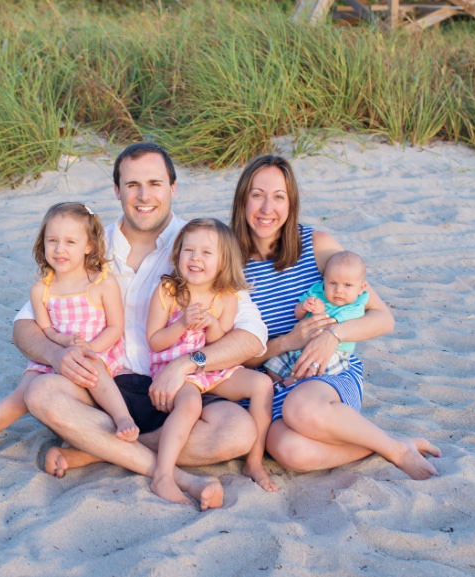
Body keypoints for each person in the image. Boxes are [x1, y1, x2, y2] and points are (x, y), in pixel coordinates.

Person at [12, 143, 268, 509]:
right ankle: (172, 474)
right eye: (132, 185)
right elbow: (24, 326)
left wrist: (187, 363)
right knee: (40, 394)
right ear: (117, 191)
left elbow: (252, 336)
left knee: (238, 432)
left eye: (155, 183)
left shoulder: (197, 246)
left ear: (173, 188)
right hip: (104, 388)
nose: (144, 196)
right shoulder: (90, 246)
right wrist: (56, 354)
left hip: (179, 389)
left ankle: (97, 451)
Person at [231, 154, 441, 480]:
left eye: (279, 197)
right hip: (272, 381)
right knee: (289, 451)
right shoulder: (229, 262)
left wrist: (334, 335)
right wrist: (288, 342)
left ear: (291, 203)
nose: (266, 208)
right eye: (257, 195)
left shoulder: (316, 245)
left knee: (301, 408)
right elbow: (232, 356)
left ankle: (397, 452)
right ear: (242, 199)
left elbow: (383, 318)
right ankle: (387, 444)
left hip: (327, 376)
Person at [0, 202, 138, 457]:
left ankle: (123, 418)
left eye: (70, 242)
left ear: (89, 246)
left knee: (93, 370)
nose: (59, 249)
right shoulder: (42, 289)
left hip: (95, 351)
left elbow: (115, 327)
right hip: (55, 355)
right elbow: (47, 330)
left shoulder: (102, 283)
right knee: (22, 394)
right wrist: (62, 341)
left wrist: (89, 348)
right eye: (52, 240)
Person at [147, 218, 277, 503]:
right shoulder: (168, 292)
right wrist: (181, 324)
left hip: (208, 367)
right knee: (190, 403)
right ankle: (163, 475)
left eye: (206, 253)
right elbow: (154, 341)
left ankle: (254, 461)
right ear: (178, 253)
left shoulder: (227, 298)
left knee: (261, 384)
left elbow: (220, 344)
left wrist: (212, 324)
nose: (195, 258)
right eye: (188, 250)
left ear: (223, 261)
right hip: (174, 368)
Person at [264, 250, 369, 386]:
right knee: (273, 363)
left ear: (361, 288)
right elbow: (297, 314)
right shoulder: (317, 291)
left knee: (315, 370)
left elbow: (330, 327)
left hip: (332, 352)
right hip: (301, 347)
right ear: (324, 280)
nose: (339, 290)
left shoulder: (355, 306)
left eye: (347, 285)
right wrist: (303, 307)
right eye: (332, 283)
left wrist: (320, 313)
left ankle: (292, 383)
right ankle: (279, 385)